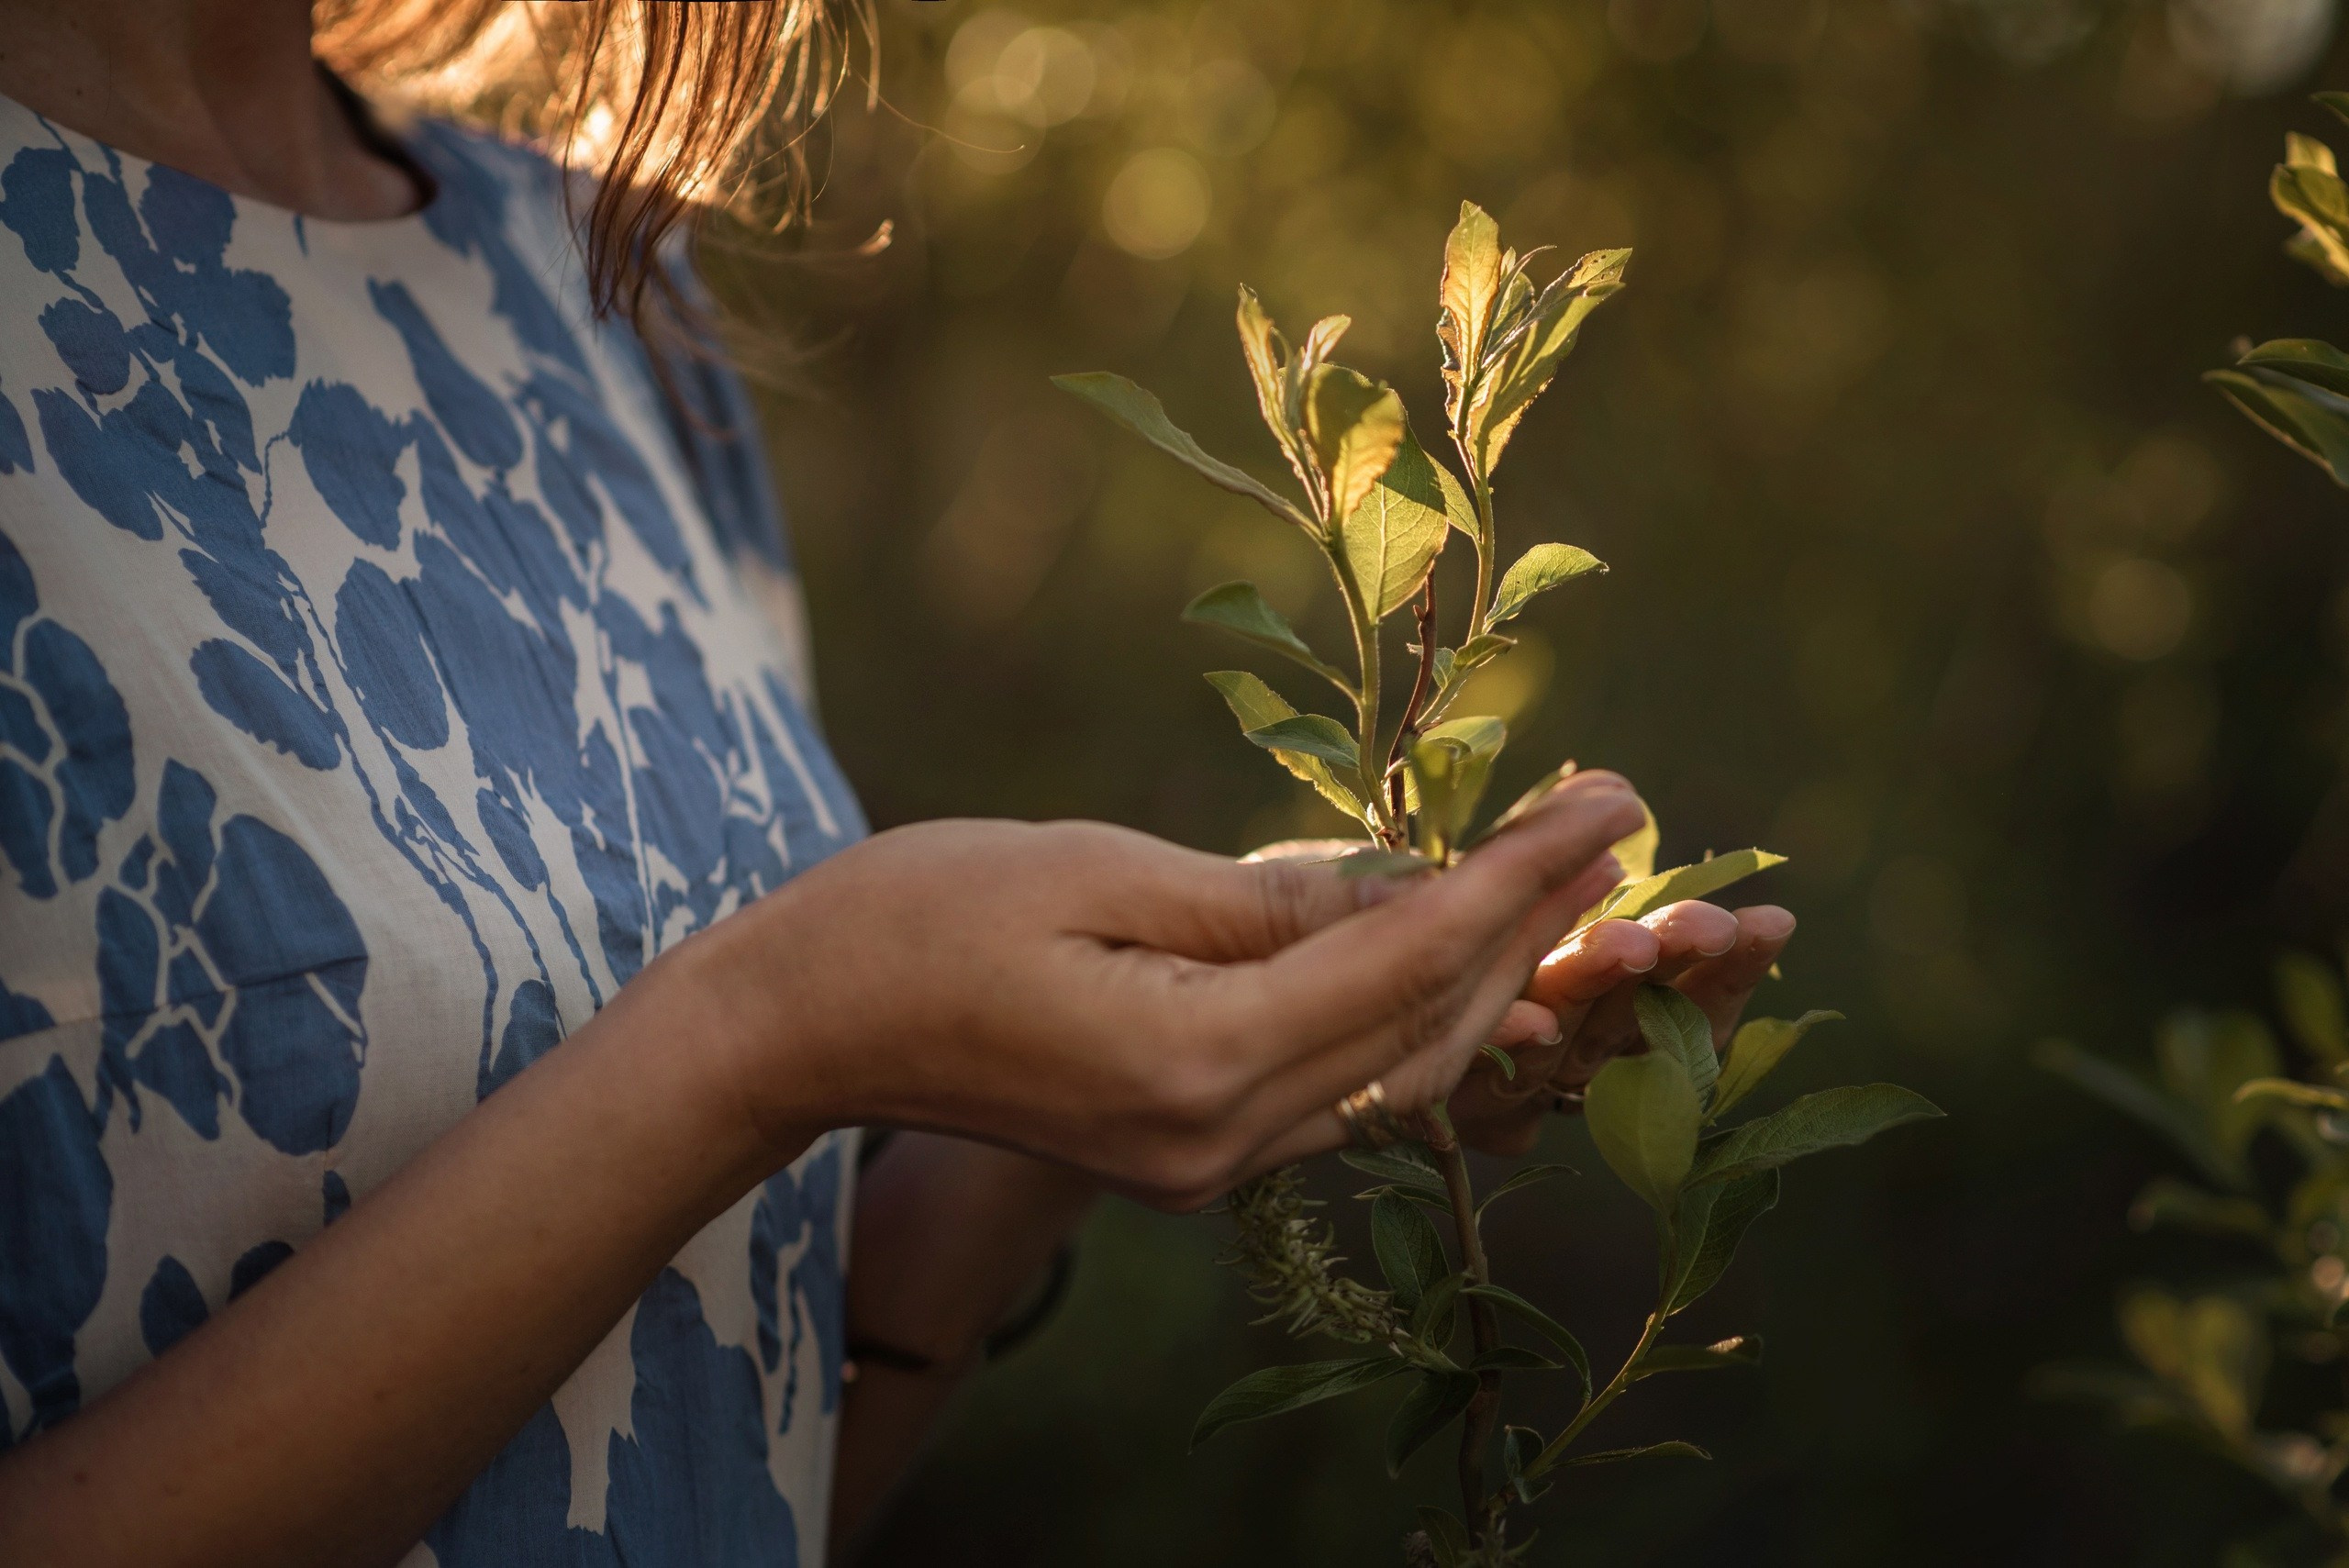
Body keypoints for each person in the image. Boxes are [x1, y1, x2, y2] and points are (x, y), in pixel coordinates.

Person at [0, 3, 1798, 1564]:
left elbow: (709, 1474)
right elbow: (756, 1040)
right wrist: (771, 1036)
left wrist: (1101, 1079)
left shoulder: (582, 277)